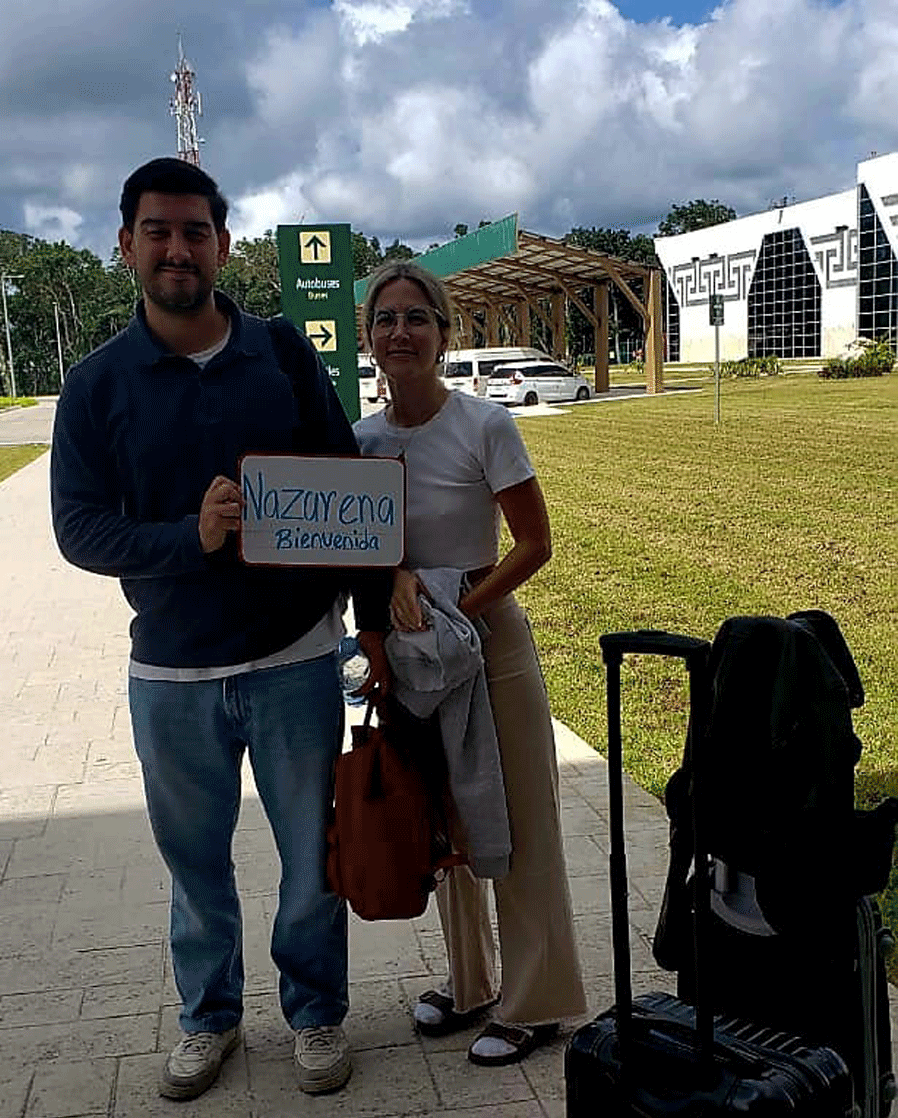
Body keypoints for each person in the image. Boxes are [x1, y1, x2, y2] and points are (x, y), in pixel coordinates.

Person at [50, 157, 389, 1099]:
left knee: (311, 862)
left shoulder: (281, 355)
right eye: (157, 230)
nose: (176, 247)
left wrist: (376, 634)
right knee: (194, 869)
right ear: (125, 245)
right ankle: (210, 1020)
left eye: (195, 230)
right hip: (170, 675)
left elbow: (349, 486)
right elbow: (79, 530)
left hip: (295, 660)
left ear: (223, 246)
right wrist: (188, 539)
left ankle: (316, 1014)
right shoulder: (96, 386)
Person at [354, 261, 586, 1066]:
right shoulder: (362, 444)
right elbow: (362, 550)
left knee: (522, 823)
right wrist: (393, 583)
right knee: (444, 821)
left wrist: (464, 608)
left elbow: (535, 543)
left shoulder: (486, 425)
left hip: (492, 648)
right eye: (386, 319)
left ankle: (539, 998)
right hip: (415, 657)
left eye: (418, 318)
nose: (401, 333)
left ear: (446, 333)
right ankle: (470, 983)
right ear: (368, 337)